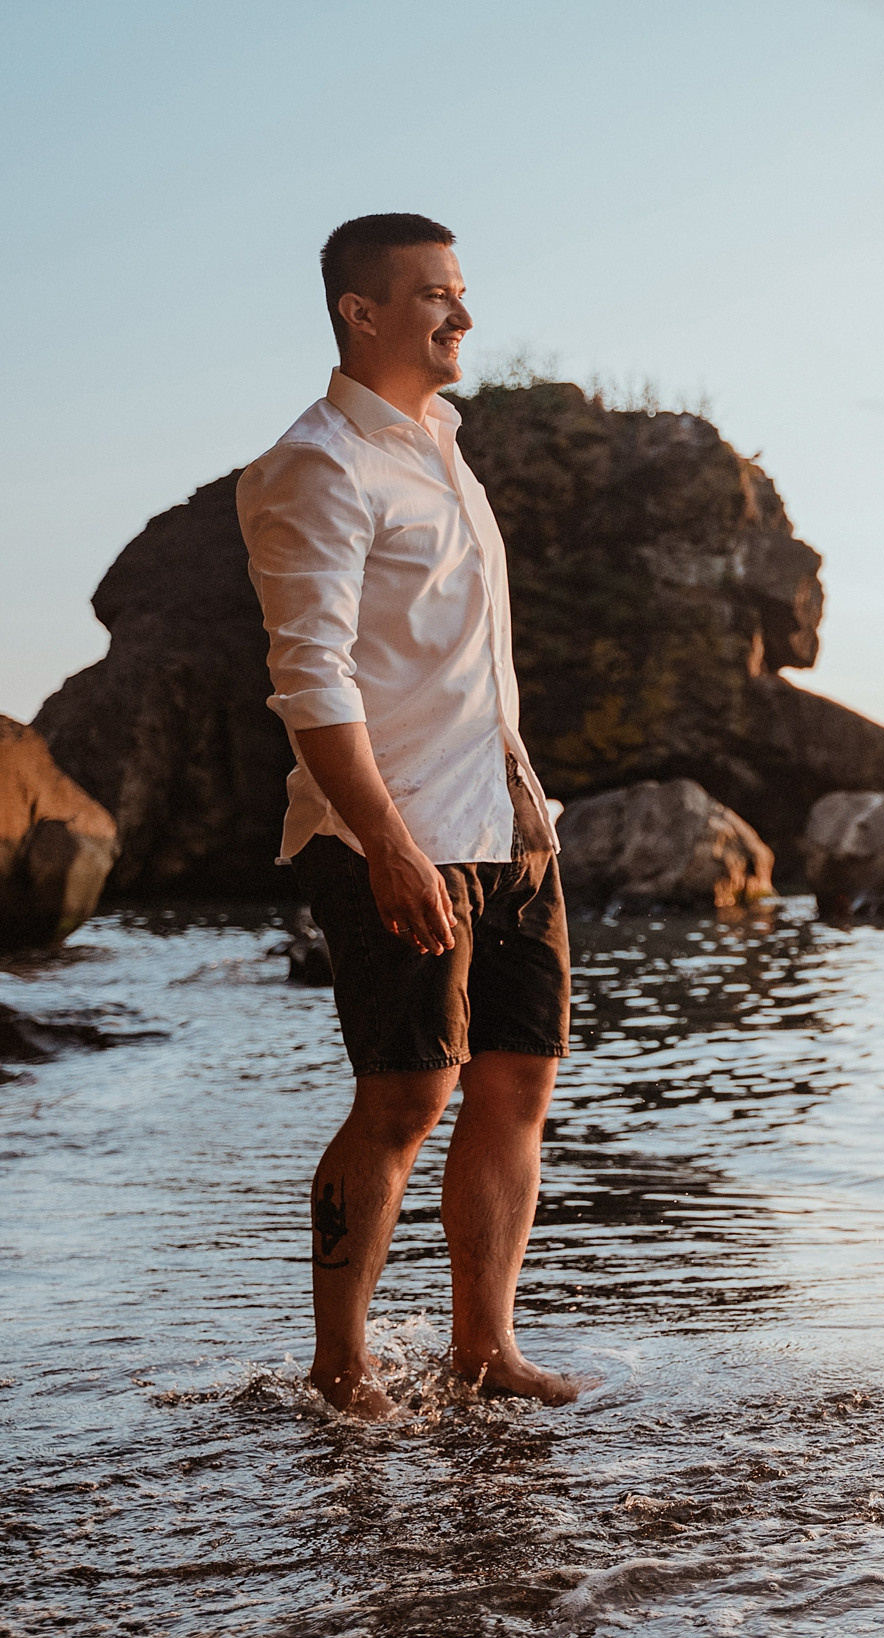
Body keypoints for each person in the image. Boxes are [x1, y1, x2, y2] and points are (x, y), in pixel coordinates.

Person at [238, 213, 582, 1419]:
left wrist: (527, 807)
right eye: (436, 294)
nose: (464, 315)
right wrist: (386, 841)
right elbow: (311, 679)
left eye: (464, 290)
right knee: (403, 1097)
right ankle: (342, 1368)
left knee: (516, 1084)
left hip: (507, 818)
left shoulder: (442, 442)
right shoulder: (316, 463)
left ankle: (483, 1347)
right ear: (361, 311)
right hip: (396, 829)